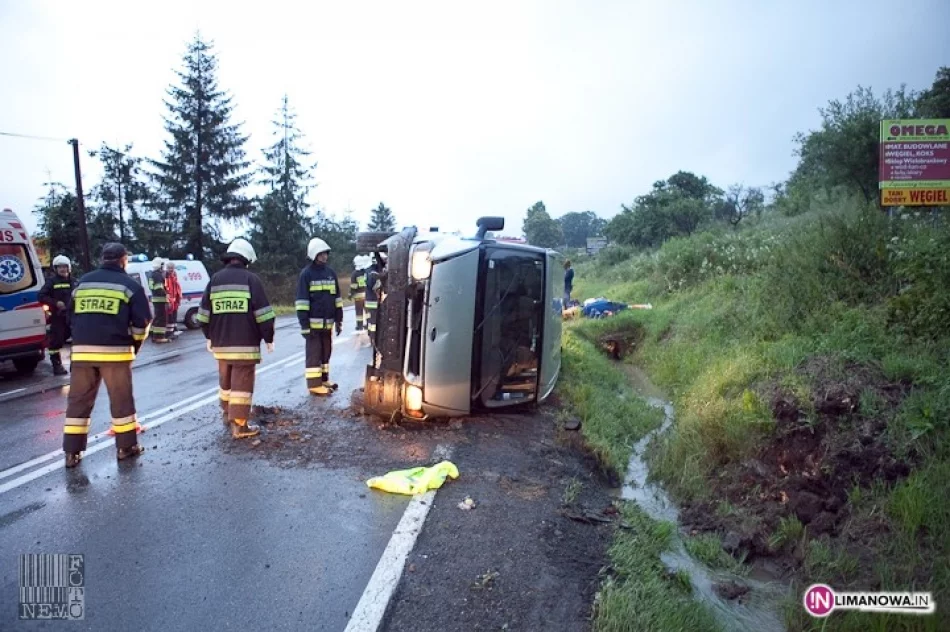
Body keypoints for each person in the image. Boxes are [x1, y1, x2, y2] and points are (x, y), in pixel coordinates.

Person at [62, 243, 152, 468]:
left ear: (102, 258)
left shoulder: (82, 283)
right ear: (123, 260)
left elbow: (69, 316)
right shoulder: (130, 286)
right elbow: (142, 322)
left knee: (78, 402)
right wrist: (135, 344)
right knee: (121, 401)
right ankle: (126, 447)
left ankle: (71, 453)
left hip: (82, 353)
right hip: (115, 353)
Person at [197, 238, 275, 439]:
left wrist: (210, 336)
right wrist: (268, 337)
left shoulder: (214, 280)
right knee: (242, 381)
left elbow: (203, 316)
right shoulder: (251, 280)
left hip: (221, 345)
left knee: (226, 380)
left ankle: (226, 413)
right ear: (246, 259)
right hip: (245, 345)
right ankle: (239, 425)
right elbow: (264, 315)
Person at [296, 238, 343, 396]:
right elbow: (302, 302)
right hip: (312, 326)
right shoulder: (306, 274)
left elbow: (337, 298)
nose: (324, 257)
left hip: (327, 324)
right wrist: (304, 325)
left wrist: (339, 320)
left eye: (325, 254)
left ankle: (324, 380)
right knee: (314, 356)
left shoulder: (330, 273)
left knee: (325, 353)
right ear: (314, 255)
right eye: (321, 254)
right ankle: (314, 385)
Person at [38, 254, 76, 376]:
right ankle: (57, 366)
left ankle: (75, 366)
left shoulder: (74, 281)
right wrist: (55, 303)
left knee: (77, 340)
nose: (62, 269)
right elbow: (41, 296)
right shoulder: (51, 282)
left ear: (69, 267)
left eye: (64, 267)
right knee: (56, 342)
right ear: (55, 269)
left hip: (73, 316)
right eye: (59, 267)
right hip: (58, 317)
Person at [148, 256, 169, 343]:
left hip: (155, 299)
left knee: (157, 317)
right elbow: (159, 289)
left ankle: (153, 334)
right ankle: (159, 337)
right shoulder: (158, 275)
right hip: (160, 299)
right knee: (161, 319)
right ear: (160, 265)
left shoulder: (152, 274)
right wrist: (167, 296)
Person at [164, 260, 183, 339]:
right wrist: (168, 300)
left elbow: (176, 288)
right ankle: (169, 333)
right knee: (170, 318)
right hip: (170, 300)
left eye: (172, 268)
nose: (171, 269)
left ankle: (174, 330)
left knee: (174, 317)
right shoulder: (166, 276)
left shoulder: (174, 275)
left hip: (174, 300)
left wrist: (178, 299)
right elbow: (166, 288)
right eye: (169, 268)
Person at [350, 255, 368, 332]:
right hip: (366, 295)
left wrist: (350, 294)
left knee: (359, 312)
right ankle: (368, 324)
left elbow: (354, 286)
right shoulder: (366, 272)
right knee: (367, 311)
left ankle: (360, 326)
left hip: (358, 296)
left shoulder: (354, 274)